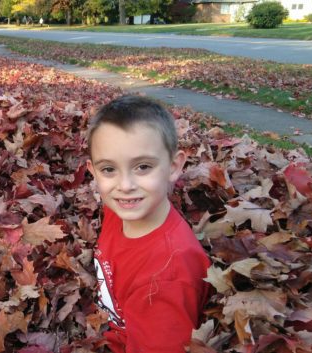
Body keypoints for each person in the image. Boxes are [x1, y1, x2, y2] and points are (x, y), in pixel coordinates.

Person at [86, 95, 211, 353]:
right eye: (109, 169)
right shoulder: (120, 210)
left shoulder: (166, 278)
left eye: (142, 167)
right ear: (93, 171)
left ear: (174, 166)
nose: (125, 185)